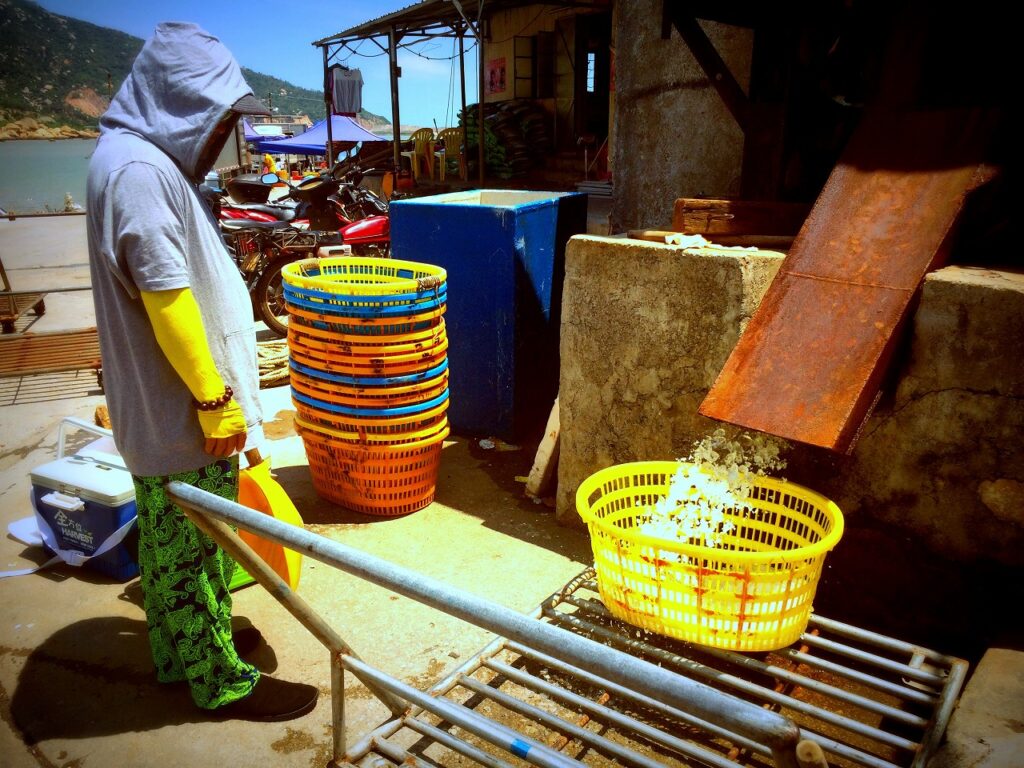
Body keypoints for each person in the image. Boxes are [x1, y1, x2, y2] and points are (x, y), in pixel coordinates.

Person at [85, 22, 318, 722]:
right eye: (216, 119)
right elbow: (167, 298)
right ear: (178, 103)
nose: (223, 136)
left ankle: (178, 651)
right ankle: (219, 681)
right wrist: (215, 400)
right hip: (184, 415)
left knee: (171, 550)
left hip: (169, 413)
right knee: (194, 550)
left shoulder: (133, 160)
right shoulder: (138, 173)